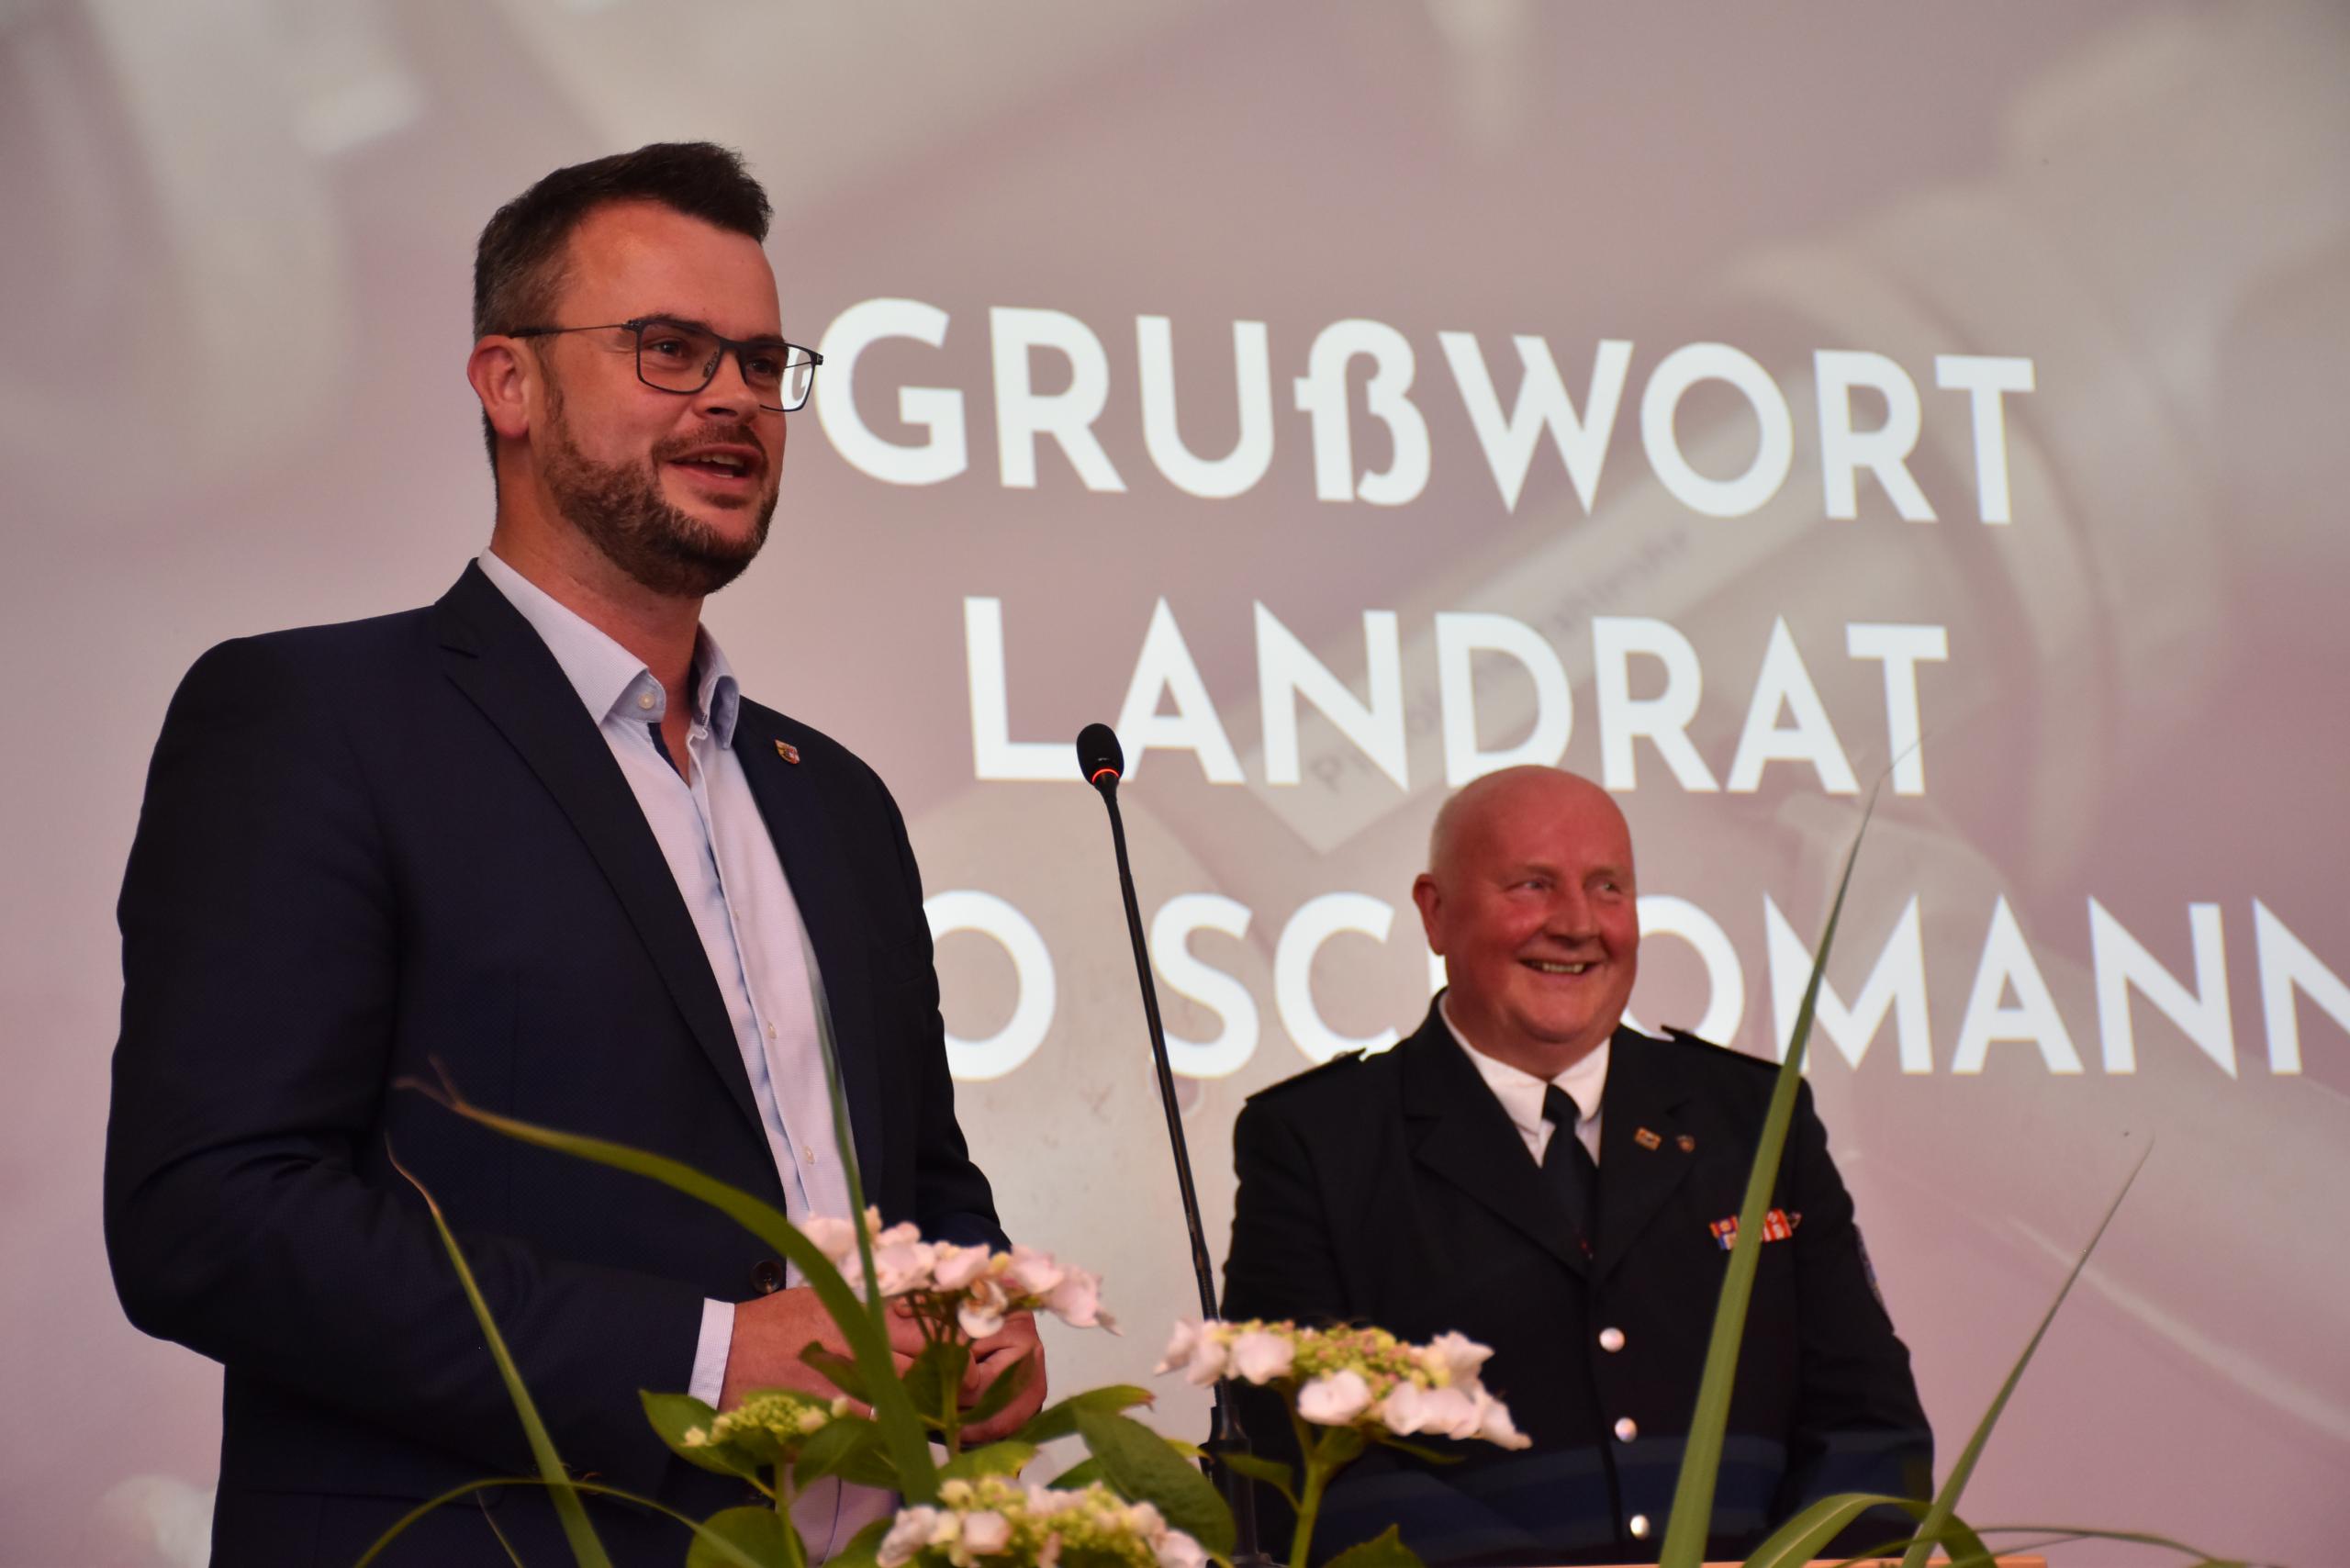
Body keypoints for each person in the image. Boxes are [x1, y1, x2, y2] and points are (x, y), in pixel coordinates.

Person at [104, 142, 1043, 1566]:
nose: (734, 397)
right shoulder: (314, 720)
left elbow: (919, 1179)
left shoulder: (836, 801)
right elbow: (214, 1218)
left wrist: (982, 1308)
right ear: (511, 383)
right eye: (670, 349)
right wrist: (708, 1360)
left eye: (762, 362)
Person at [1220, 767, 1930, 1565]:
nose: (1578, 924)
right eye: (1533, 886)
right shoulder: (1317, 1140)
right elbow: (1303, 1453)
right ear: (1436, 911)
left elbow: (1870, 1428)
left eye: (1607, 888)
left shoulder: (1755, 1118)